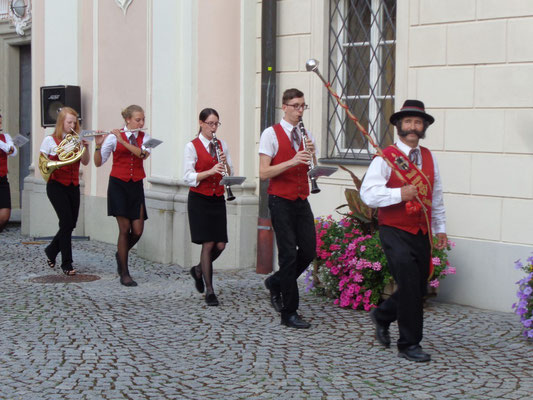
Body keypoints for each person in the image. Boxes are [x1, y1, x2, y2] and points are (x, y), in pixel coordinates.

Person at [360, 99, 447, 362]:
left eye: (418, 122)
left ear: (424, 127)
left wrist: (440, 228)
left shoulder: (429, 157)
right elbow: (368, 194)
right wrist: (401, 193)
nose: (413, 127)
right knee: (409, 282)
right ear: (399, 125)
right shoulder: (386, 157)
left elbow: (437, 196)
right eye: (408, 122)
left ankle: (383, 314)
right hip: (394, 229)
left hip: (421, 231)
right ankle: (409, 344)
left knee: (418, 287)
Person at [258, 88, 317, 329]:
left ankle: (276, 282)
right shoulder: (270, 134)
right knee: (288, 255)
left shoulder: (305, 133)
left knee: (309, 249)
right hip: (280, 199)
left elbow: (309, 167)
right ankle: (289, 312)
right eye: (295, 106)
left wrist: (313, 159)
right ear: (284, 107)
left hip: (301, 198)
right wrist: (293, 160)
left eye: (303, 106)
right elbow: (263, 173)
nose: (300, 110)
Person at [94, 105, 151, 287]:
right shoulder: (112, 137)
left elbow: (143, 154)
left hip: (136, 186)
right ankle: (124, 272)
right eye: (137, 120)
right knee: (124, 229)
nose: (141, 123)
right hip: (118, 185)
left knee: (138, 230)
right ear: (127, 120)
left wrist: (124, 141)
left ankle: (121, 253)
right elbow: (98, 163)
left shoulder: (145, 138)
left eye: (143, 119)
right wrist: (97, 144)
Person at [183, 108, 233, 307]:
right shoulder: (192, 146)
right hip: (199, 199)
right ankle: (210, 290)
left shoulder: (221, 145)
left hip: (217, 198)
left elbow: (230, 170)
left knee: (220, 245)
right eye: (210, 123)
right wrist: (210, 171)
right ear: (201, 123)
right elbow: (188, 176)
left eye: (216, 124)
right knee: (209, 243)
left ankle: (198, 270)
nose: (214, 128)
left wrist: (226, 168)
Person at [40, 107, 90, 275]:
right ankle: (66, 264)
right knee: (66, 222)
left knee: (71, 224)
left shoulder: (77, 140)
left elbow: (86, 162)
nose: (72, 125)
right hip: (56, 185)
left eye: (74, 123)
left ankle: (52, 250)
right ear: (61, 122)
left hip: (73, 184)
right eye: (69, 122)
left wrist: (85, 148)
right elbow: (42, 163)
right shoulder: (50, 140)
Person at [0, 113, 18, 233]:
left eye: (0, 121)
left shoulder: (5, 136)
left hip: (2, 178)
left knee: (5, 215)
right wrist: (8, 148)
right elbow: (8, 148)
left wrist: (8, 147)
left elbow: (13, 151)